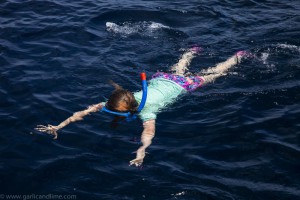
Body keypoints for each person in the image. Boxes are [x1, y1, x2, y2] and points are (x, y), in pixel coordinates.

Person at [35, 47, 249, 167]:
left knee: (213, 74)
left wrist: (142, 151)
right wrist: (59, 126)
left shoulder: (147, 111)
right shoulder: (127, 98)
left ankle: (234, 59)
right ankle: (190, 53)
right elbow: (85, 111)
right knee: (179, 69)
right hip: (164, 80)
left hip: (181, 85)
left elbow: (149, 133)